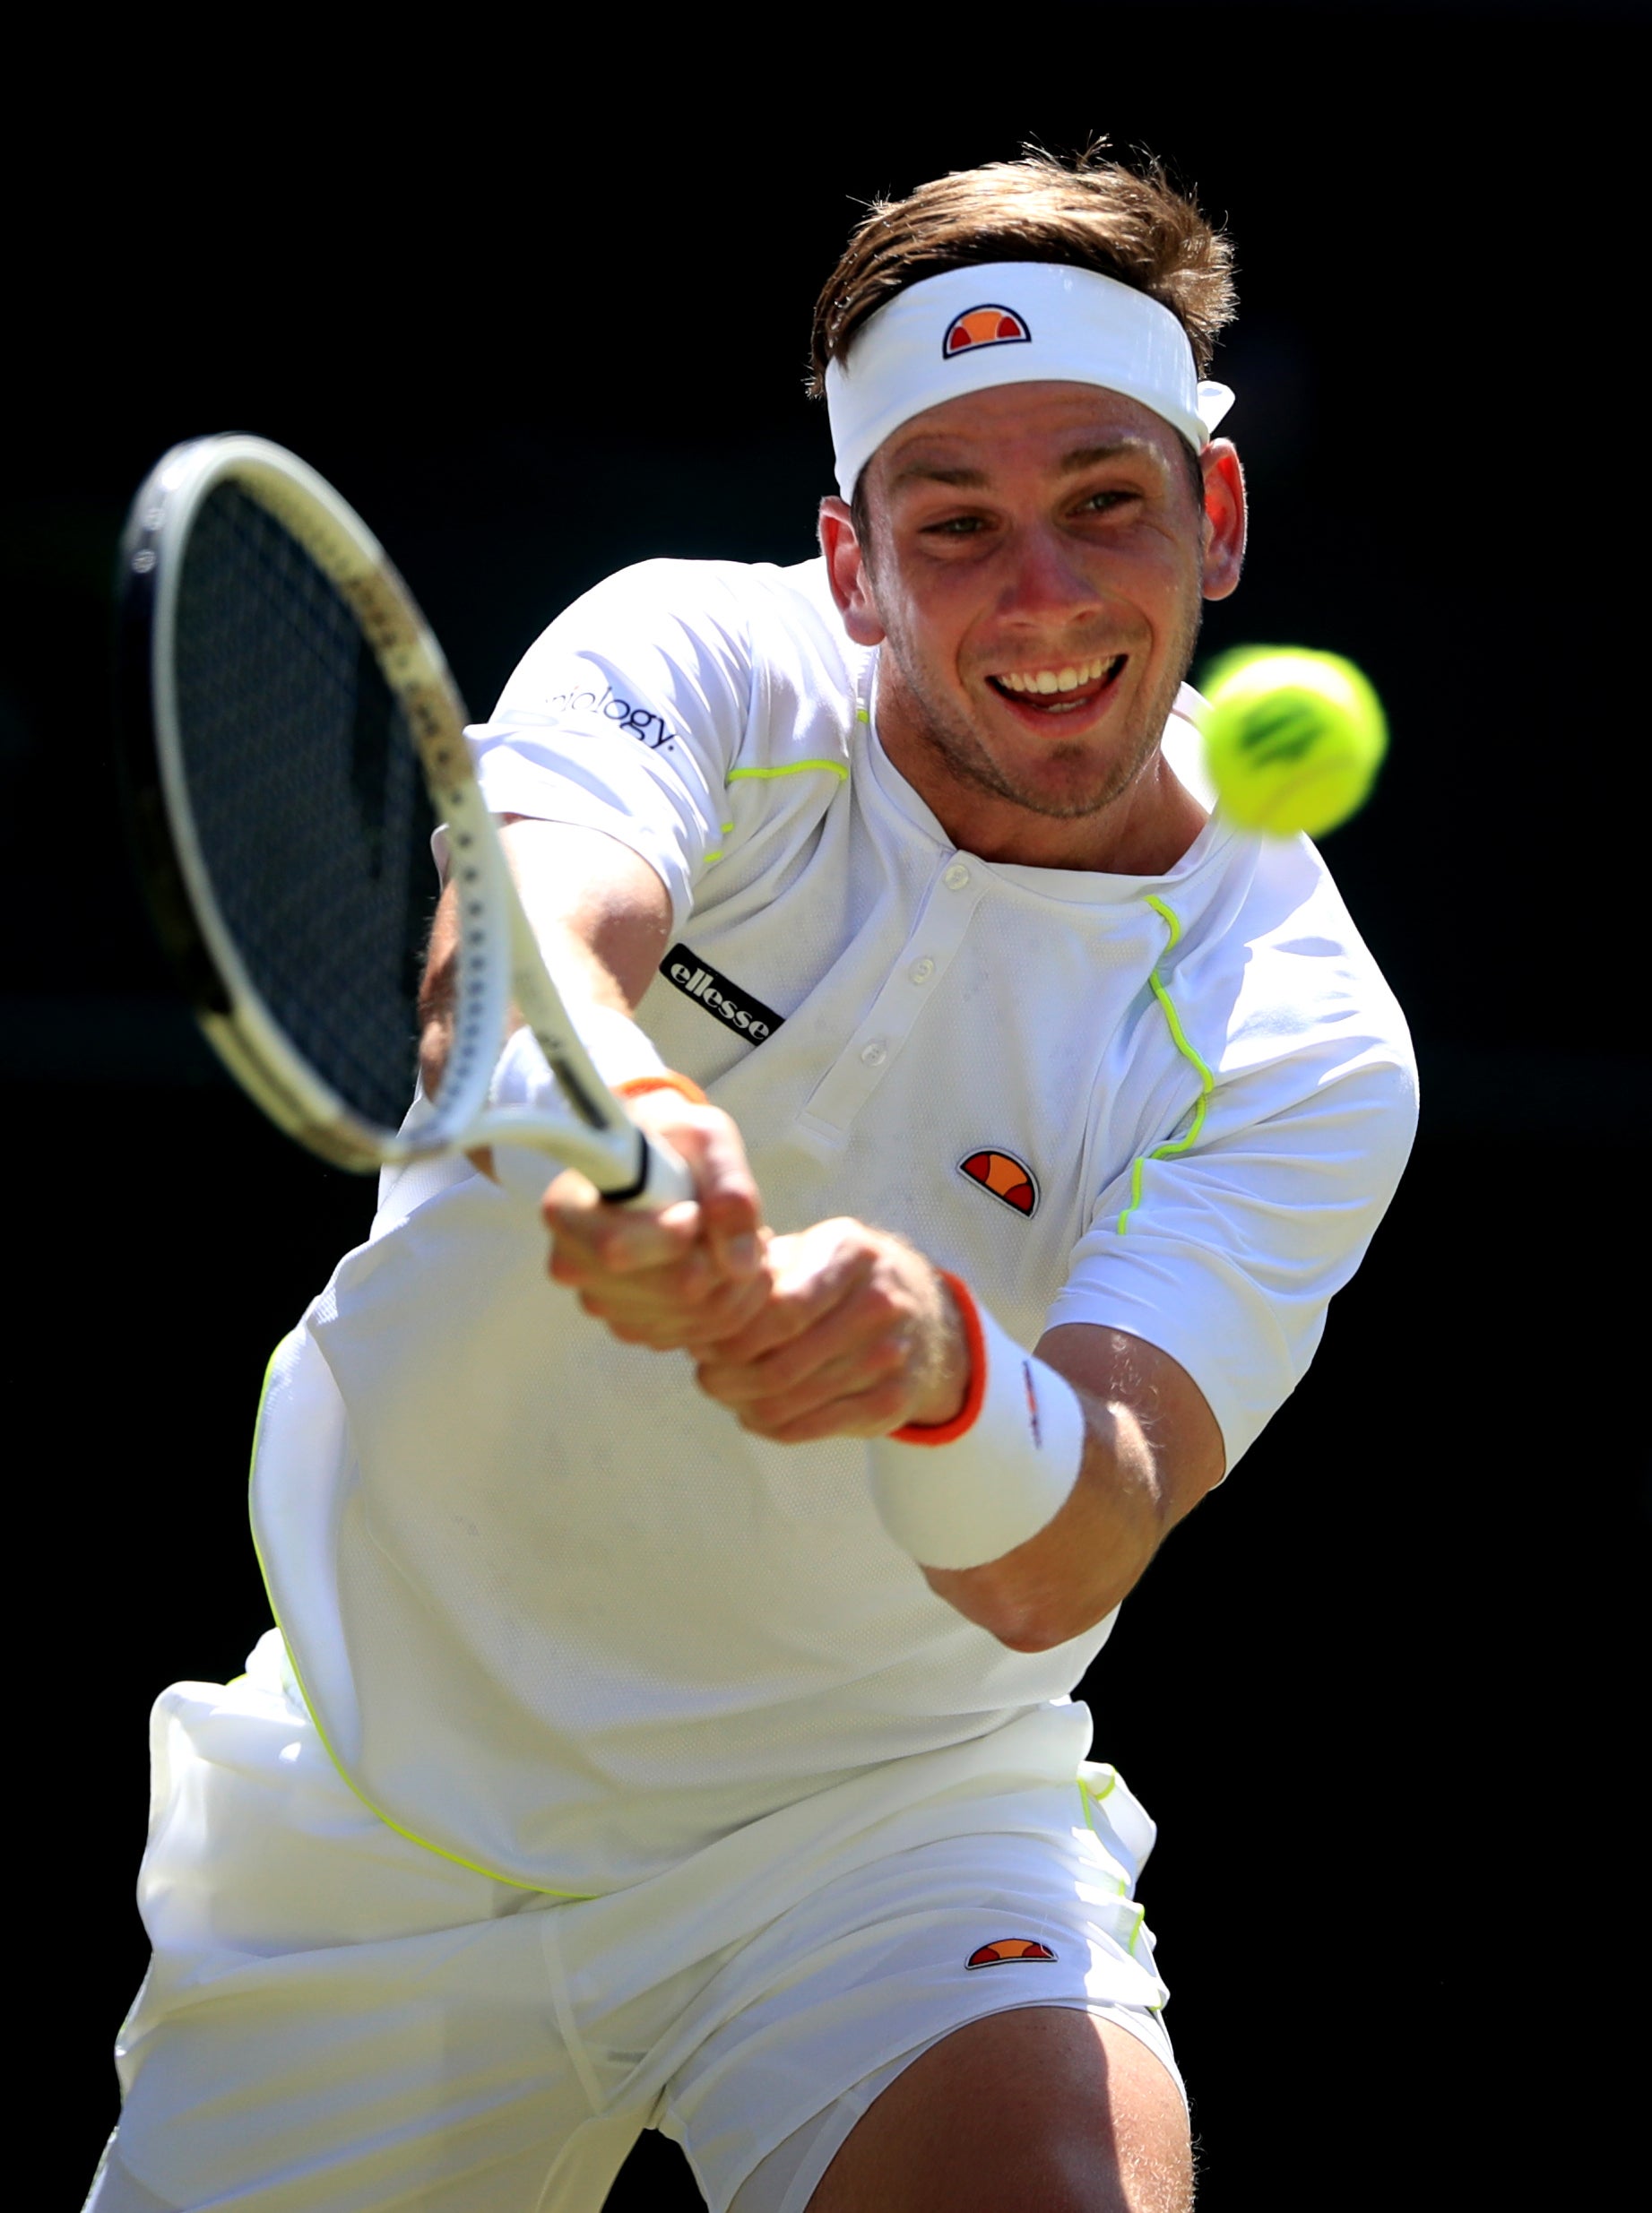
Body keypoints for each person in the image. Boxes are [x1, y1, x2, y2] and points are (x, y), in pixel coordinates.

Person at [87, 147, 1416, 2213]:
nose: (1043, 598)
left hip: (875, 1825)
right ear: (850, 564)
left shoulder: (1301, 1033)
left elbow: (1067, 1552)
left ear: (1214, 517)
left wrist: (928, 1368)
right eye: (953, 527)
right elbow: (508, 961)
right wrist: (628, 1096)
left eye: (1104, 502)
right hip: (374, 1816)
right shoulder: (695, 654)